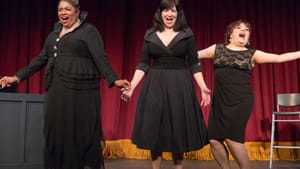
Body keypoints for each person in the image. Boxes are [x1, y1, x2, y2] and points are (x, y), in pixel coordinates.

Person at [0, 0, 130, 169]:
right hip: (57, 88)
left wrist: (114, 79)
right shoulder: (54, 34)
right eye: (60, 9)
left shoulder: (88, 31)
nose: (63, 12)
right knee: (56, 130)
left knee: (75, 132)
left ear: (77, 11)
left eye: (67, 9)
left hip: (81, 91)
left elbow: (100, 58)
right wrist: (16, 77)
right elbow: (40, 59)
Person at [197, 19, 300, 169]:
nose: (243, 30)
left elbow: (279, 58)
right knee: (214, 139)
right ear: (230, 34)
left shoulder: (252, 54)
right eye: (239, 28)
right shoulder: (216, 49)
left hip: (241, 101)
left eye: (247, 29)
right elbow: (193, 57)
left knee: (232, 139)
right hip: (220, 102)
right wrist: (201, 85)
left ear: (248, 37)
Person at [120, 0, 211, 169]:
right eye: (166, 10)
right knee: (155, 127)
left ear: (178, 13)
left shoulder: (186, 34)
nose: (170, 14)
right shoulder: (150, 35)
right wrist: (131, 86)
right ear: (160, 13)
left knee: (178, 127)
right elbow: (143, 64)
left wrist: (203, 86)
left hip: (180, 84)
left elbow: (194, 63)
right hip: (155, 83)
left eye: (173, 11)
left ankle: (178, 166)